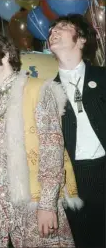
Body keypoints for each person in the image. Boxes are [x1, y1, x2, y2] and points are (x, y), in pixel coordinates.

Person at [0, 33, 83, 247]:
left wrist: (47, 205)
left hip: (34, 202)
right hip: (2, 208)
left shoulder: (38, 89)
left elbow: (52, 151)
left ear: (5, 55)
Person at [49, 14, 106, 248]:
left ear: (81, 39)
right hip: (73, 179)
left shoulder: (103, 77)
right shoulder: (47, 92)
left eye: (62, 27)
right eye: (52, 28)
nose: (53, 31)